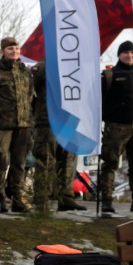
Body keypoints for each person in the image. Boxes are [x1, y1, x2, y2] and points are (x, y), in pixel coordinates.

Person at [97, 40, 133, 216]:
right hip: (116, 126)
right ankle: (106, 201)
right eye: (126, 53)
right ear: (119, 55)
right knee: (110, 163)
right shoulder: (109, 74)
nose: (129, 55)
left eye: (132, 53)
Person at [0, 37, 33, 212]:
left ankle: (17, 197)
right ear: (3, 51)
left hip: (23, 124)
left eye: (16, 49)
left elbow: (30, 95)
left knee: (19, 163)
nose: (14, 51)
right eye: (10, 49)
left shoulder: (25, 72)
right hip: (1, 124)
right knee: (1, 160)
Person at [31, 61, 86, 212]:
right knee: (46, 159)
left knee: (68, 159)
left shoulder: (74, 63)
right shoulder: (42, 67)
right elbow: (30, 92)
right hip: (47, 120)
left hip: (69, 120)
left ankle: (65, 197)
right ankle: (41, 199)